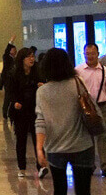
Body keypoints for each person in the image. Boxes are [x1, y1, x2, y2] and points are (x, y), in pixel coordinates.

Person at [35, 48, 95, 195]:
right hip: (82, 145)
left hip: (55, 147)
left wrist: (39, 148)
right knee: (83, 190)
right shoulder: (77, 83)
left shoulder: (42, 91)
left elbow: (40, 121)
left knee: (59, 189)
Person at [75, 43, 106, 176]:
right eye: (87, 54)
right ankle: (89, 164)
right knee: (87, 137)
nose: (90, 56)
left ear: (98, 54)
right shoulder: (78, 70)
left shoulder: (105, 70)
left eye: (92, 54)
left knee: (103, 135)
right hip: (86, 108)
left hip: (102, 106)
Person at [7, 47, 46, 178]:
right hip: (20, 111)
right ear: (22, 59)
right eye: (28, 57)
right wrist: (15, 102)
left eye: (32, 56)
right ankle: (22, 167)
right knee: (21, 139)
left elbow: (44, 86)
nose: (31, 59)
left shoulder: (38, 72)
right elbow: (10, 92)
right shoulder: (14, 73)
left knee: (38, 139)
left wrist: (42, 86)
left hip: (35, 110)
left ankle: (41, 166)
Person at [0, 37, 17, 121]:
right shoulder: (6, 57)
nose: (15, 51)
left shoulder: (15, 59)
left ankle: (12, 112)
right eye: (13, 49)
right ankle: (5, 112)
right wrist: (10, 42)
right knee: (8, 97)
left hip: (14, 80)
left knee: (13, 96)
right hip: (8, 80)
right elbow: (6, 51)